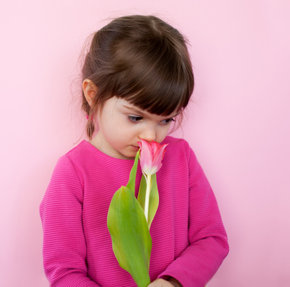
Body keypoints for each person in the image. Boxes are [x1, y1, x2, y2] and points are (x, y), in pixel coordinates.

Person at [40, 15, 229, 287]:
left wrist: (172, 282)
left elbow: (211, 239)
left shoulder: (181, 157)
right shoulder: (73, 173)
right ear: (92, 94)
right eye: (135, 118)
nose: (151, 136)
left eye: (166, 120)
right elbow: (64, 272)